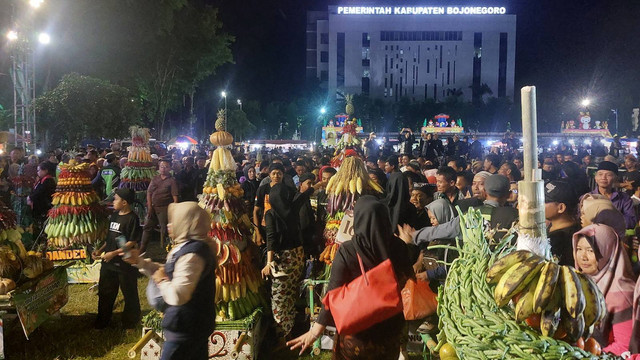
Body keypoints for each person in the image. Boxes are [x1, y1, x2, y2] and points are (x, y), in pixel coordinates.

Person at [287, 196, 416, 358]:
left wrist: (315, 332)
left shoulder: (349, 250)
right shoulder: (399, 247)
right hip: (389, 330)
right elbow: (408, 277)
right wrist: (407, 244)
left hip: (357, 333)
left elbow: (332, 293)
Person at [124, 202, 216, 360]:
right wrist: (140, 262)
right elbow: (167, 272)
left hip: (186, 329)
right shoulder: (186, 247)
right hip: (190, 327)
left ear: (187, 224)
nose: (169, 226)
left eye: (173, 221)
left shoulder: (193, 254)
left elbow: (178, 295)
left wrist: (161, 281)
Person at [573, 224, 636, 356]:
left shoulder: (621, 293)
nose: (583, 257)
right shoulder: (580, 281)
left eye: (591, 251)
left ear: (608, 252)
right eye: (579, 249)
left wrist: (587, 355)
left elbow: (624, 347)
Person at [261, 182, 313, 340]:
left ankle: (283, 336)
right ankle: (290, 328)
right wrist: (316, 185)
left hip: (283, 260)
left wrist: (269, 263)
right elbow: (305, 194)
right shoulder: (294, 206)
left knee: (279, 297)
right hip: (297, 257)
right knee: (291, 293)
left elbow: (271, 238)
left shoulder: (271, 214)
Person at [92, 188, 141, 329]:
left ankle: (130, 322)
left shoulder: (133, 218)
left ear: (124, 202)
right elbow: (110, 238)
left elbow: (131, 242)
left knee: (129, 293)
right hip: (108, 263)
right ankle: (102, 321)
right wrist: (100, 250)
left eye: (116, 199)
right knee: (105, 292)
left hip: (124, 264)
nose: (113, 202)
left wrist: (113, 253)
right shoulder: (114, 216)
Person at [140, 159, 179, 253]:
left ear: (169, 168)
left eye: (166, 167)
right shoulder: (155, 179)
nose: (163, 169)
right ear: (159, 167)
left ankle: (166, 248)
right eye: (161, 167)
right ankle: (142, 248)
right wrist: (149, 207)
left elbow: (175, 197)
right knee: (147, 226)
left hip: (164, 208)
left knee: (164, 228)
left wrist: (174, 209)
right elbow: (149, 193)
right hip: (152, 207)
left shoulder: (172, 181)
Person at [544, 180, 580, 266]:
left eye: (544, 201)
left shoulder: (565, 239)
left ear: (561, 208)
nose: (538, 204)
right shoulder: (552, 226)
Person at [590, 161, 636, 229]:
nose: (603, 177)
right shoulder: (588, 198)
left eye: (608, 175)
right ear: (596, 178)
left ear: (615, 178)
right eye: (600, 174)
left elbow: (631, 222)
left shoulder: (624, 198)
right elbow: (581, 219)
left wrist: (609, 218)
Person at [27, 161, 57, 231]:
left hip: (44, 207)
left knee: (42, 226)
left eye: (39, 170)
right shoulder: (43, 180)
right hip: (40, 207)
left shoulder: (48, 180)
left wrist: (30, 197)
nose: (37, 172)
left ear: (46, 170)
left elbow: (40, 192)